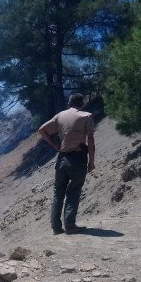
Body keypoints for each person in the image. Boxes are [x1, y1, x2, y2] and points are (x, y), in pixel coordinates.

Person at [38, 93, 95, 234]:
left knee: (58, 192)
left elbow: (42, 130)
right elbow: (91, 141)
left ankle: (56, 228)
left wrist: (55, 146)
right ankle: (70, 226)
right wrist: (91, 161)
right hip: (78, 157)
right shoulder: (86, 116)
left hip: (62, 158)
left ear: (69, 103)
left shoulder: (59, 116)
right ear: (81, 104)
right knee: (74, 191)